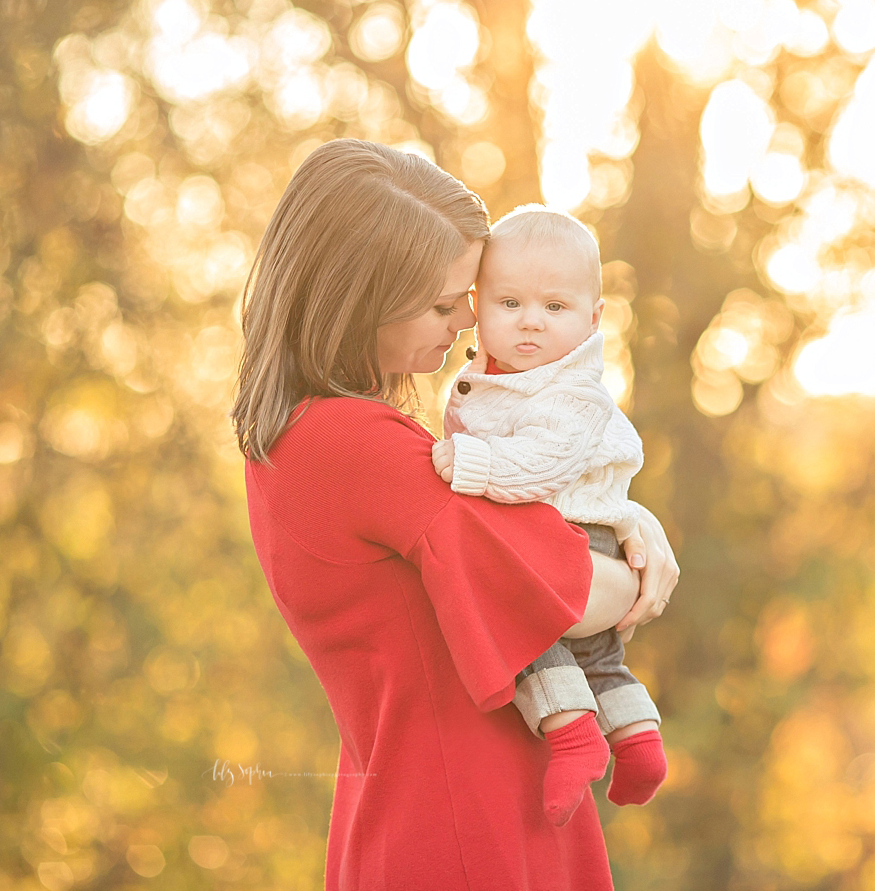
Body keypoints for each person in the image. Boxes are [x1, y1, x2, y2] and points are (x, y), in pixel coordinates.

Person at [231, 138, 679, 890]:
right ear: (358, 298)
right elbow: (571, 592)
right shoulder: (355, 444)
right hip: (465, 824)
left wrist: (628, 518)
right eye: (443, 305)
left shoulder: (302, 437)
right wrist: (640, 565)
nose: (466, 325)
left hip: (433, 809)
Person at [431, 205, 668, 827]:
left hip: (573, 535)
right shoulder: (502, 377)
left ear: (593, 319)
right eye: (510, 304)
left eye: (554, 308)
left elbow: (537, 466)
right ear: (478, 306)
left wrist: (466, 462)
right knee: (599, 657)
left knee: (516, 626)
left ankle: (572, 736)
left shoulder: (573, 395)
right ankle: (639, 743)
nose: (531, 322)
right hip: (561, 532)